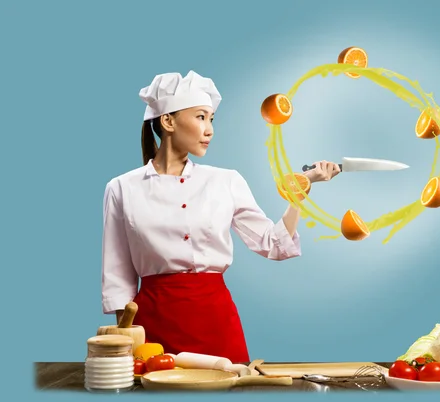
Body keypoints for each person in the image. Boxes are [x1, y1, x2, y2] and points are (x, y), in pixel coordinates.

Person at [101, 70, 340, 363]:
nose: (209, 129)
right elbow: (118, 276)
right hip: (152, 328)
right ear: (168, 121)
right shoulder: (122, 188)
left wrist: (301, 189)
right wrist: (126, 342)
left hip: (216, 323)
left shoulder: (226, 181)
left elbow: (273, 244)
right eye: (201, 117)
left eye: (211, 119)